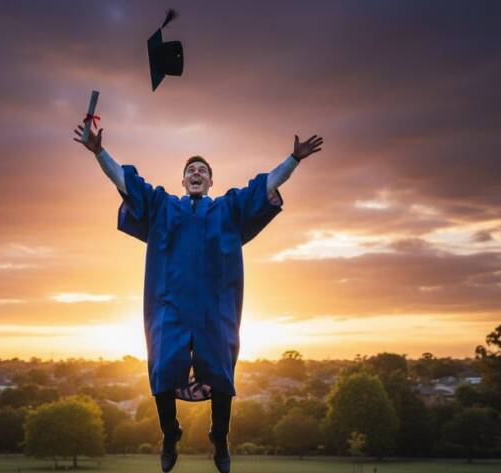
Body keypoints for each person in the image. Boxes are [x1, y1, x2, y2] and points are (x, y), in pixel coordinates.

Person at [73, 123, 322, 472]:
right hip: (168, 306)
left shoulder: (228, 209)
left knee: (221, 374)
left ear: (210, 182)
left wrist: (293, 159)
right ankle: (170, 433)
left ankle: (219, 438)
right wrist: (99, 151)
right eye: (190, 170)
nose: (196, 173)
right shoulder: (162, 206)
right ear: (183, 180)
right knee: (161, 371)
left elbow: (265, 186)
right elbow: (125, 182)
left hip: (214, 308)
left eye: (202, 171)